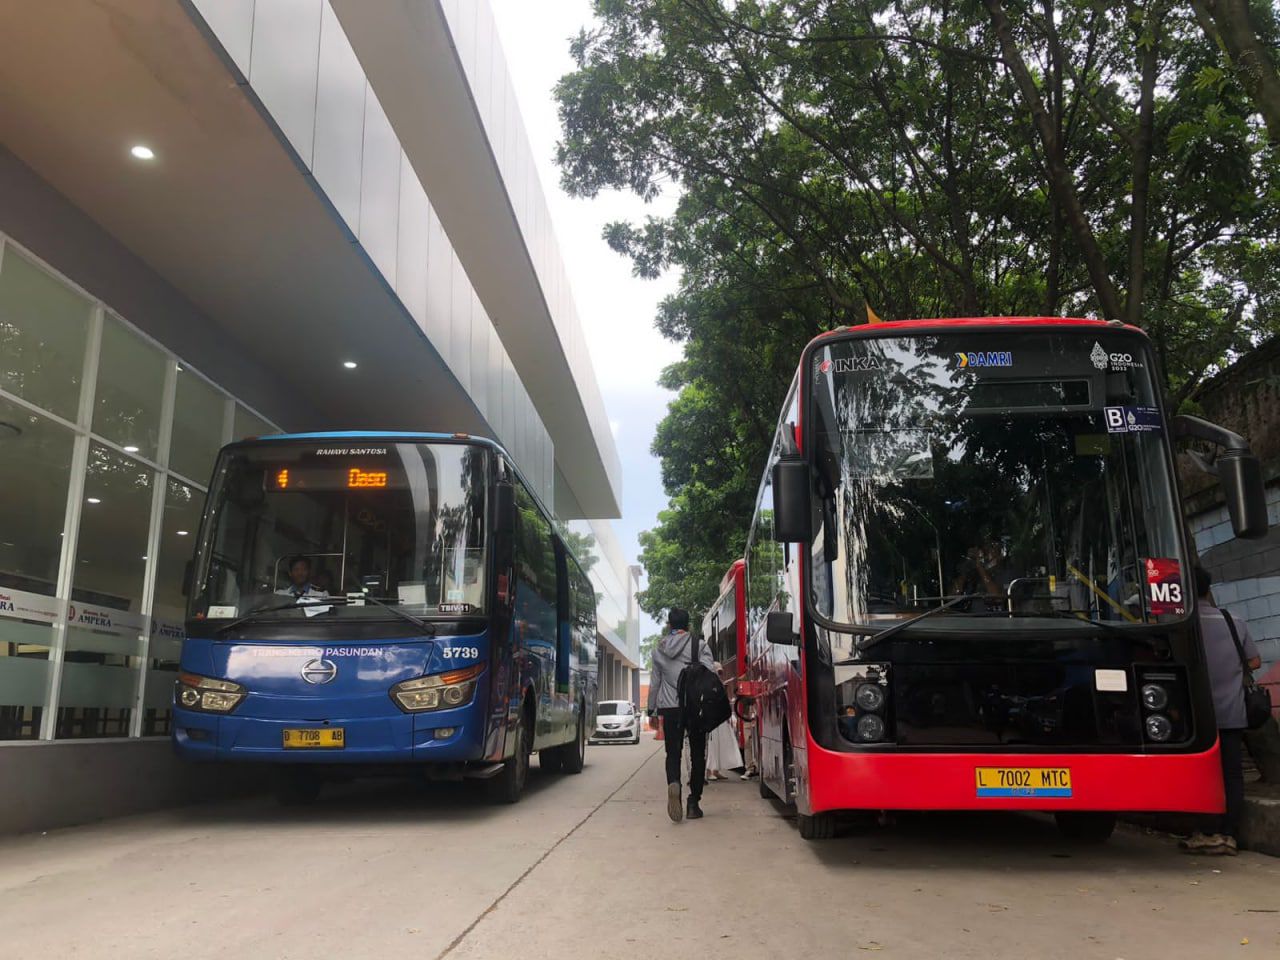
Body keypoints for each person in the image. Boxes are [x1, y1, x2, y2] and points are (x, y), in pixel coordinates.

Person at [1181, 566, 1261, 856]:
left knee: (1205, 773)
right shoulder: (1233, 620)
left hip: (1199, 716)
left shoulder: (1183, 625)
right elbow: (1254, 661)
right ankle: (1229, 835)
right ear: (1208, 589)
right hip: (1233, 711)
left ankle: (1207, 832)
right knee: (1233, 774)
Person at [647, 607, 715, 822]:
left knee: (673, 753)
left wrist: (651, 710)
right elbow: (710, 674)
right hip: (694, 706)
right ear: (688, 625)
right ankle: (693, 802)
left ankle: (673, 782)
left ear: (669, 625)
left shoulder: (659, 650)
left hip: (669, 708)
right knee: (697, 754)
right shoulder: (699, 645)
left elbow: (655, 682)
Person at [706, 663, 743, 781]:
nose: (719, 675)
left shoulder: (718, 684)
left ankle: (716, 770)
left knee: (720, 743)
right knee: (712, 745)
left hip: (720, 718)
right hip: (712, 719)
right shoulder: (708, 684)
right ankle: (709, 771)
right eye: (718, 672)